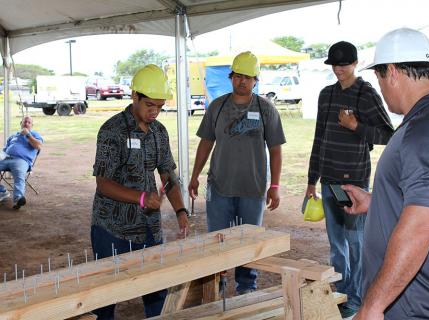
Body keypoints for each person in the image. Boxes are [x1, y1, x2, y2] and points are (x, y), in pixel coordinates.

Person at [342, 28, 429, 320]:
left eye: (379, 78)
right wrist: (378, 202)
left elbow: (421, 227)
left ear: (391, 72)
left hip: (417, 304)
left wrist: (373, 305)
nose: (380, 87)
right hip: (420, 300)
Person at [91, 64, 190, 319]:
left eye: (160, 105)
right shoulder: (112, 131)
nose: (155, 112)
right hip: (112, 228)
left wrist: (180, 210)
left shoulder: (159, 132)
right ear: (134, 96)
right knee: (106, 295)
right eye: (149, 105)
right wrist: (142, 197)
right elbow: (102, 182)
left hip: (149, 227)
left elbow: (168, 174)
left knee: (156, 291)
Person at [305, 41, 394, 318]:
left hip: (352, 183)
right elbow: (319, 137)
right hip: (328, 181)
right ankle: (343, 293)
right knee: (336, 245)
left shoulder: (365, 94)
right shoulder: (326, 94)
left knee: (355, 244)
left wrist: (356, 126)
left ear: (355, 63)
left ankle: (356, 300)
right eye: (335, 64)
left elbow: (388, 135)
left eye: (344, 64)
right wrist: (311, 180)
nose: (339, 69)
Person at [188, 51, 286, 294]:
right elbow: (206, 143)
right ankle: (215, 288)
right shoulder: (217, 107)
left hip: (252, 190)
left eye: (248, 77)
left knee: (248, 244)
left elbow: (275, 149)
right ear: (231, 77)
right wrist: (194, 175)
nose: (242, 81)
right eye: (238, 76)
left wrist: (274, 186)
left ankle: (246, 290)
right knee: (217, 243)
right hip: (220, 187)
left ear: (256, 80)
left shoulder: (266, 109)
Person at [0, 115, 43, 209]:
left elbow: (38, 146)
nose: (26, 123)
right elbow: (5, 149)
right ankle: (2, 192)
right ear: (21, 123)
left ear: (32, 125)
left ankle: (18, 199)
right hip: (6, 158)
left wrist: (28, 135)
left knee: (19, 175)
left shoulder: (35, 134)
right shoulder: (13, 135)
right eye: (24, 122)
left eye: (29, 122)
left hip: (21, 160)